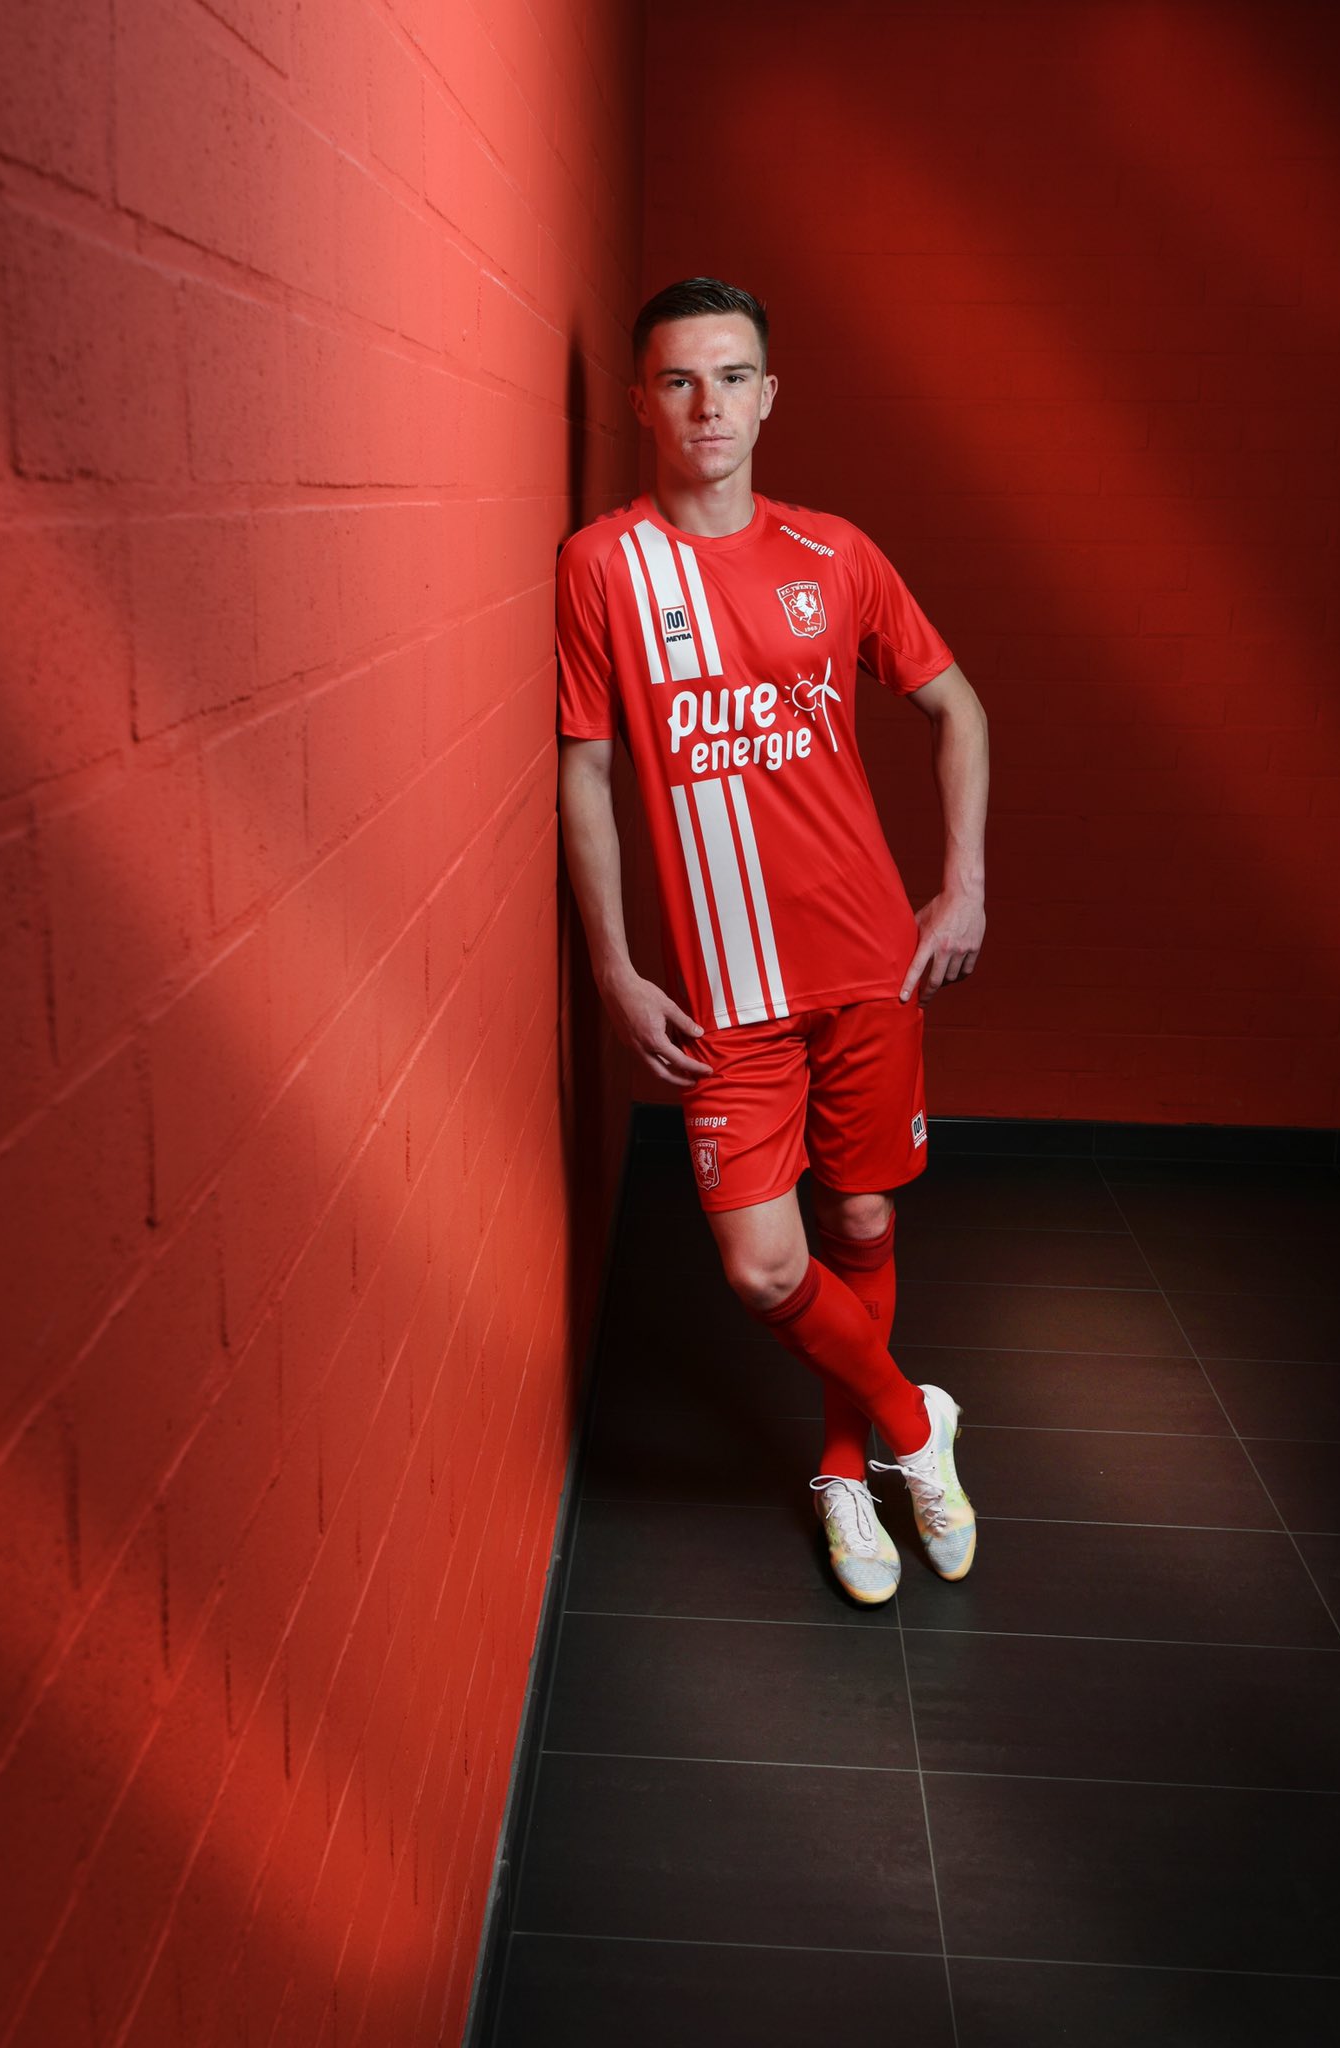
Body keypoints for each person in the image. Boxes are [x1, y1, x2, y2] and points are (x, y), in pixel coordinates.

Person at [555, 278, 989, 1600]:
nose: (709, 406)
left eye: (732, 377)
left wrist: (962, 887)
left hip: (868, 959)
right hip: (722, 987)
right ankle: (916, 1424)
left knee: (859, 1211)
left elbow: (959, 709)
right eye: (680, 380)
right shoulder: (603, 566)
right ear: (641, 403)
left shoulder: (834, 554)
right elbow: (586, 773)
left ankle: (847, 1473)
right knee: (761, 1266)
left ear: (768, 396)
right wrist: (614, 968)